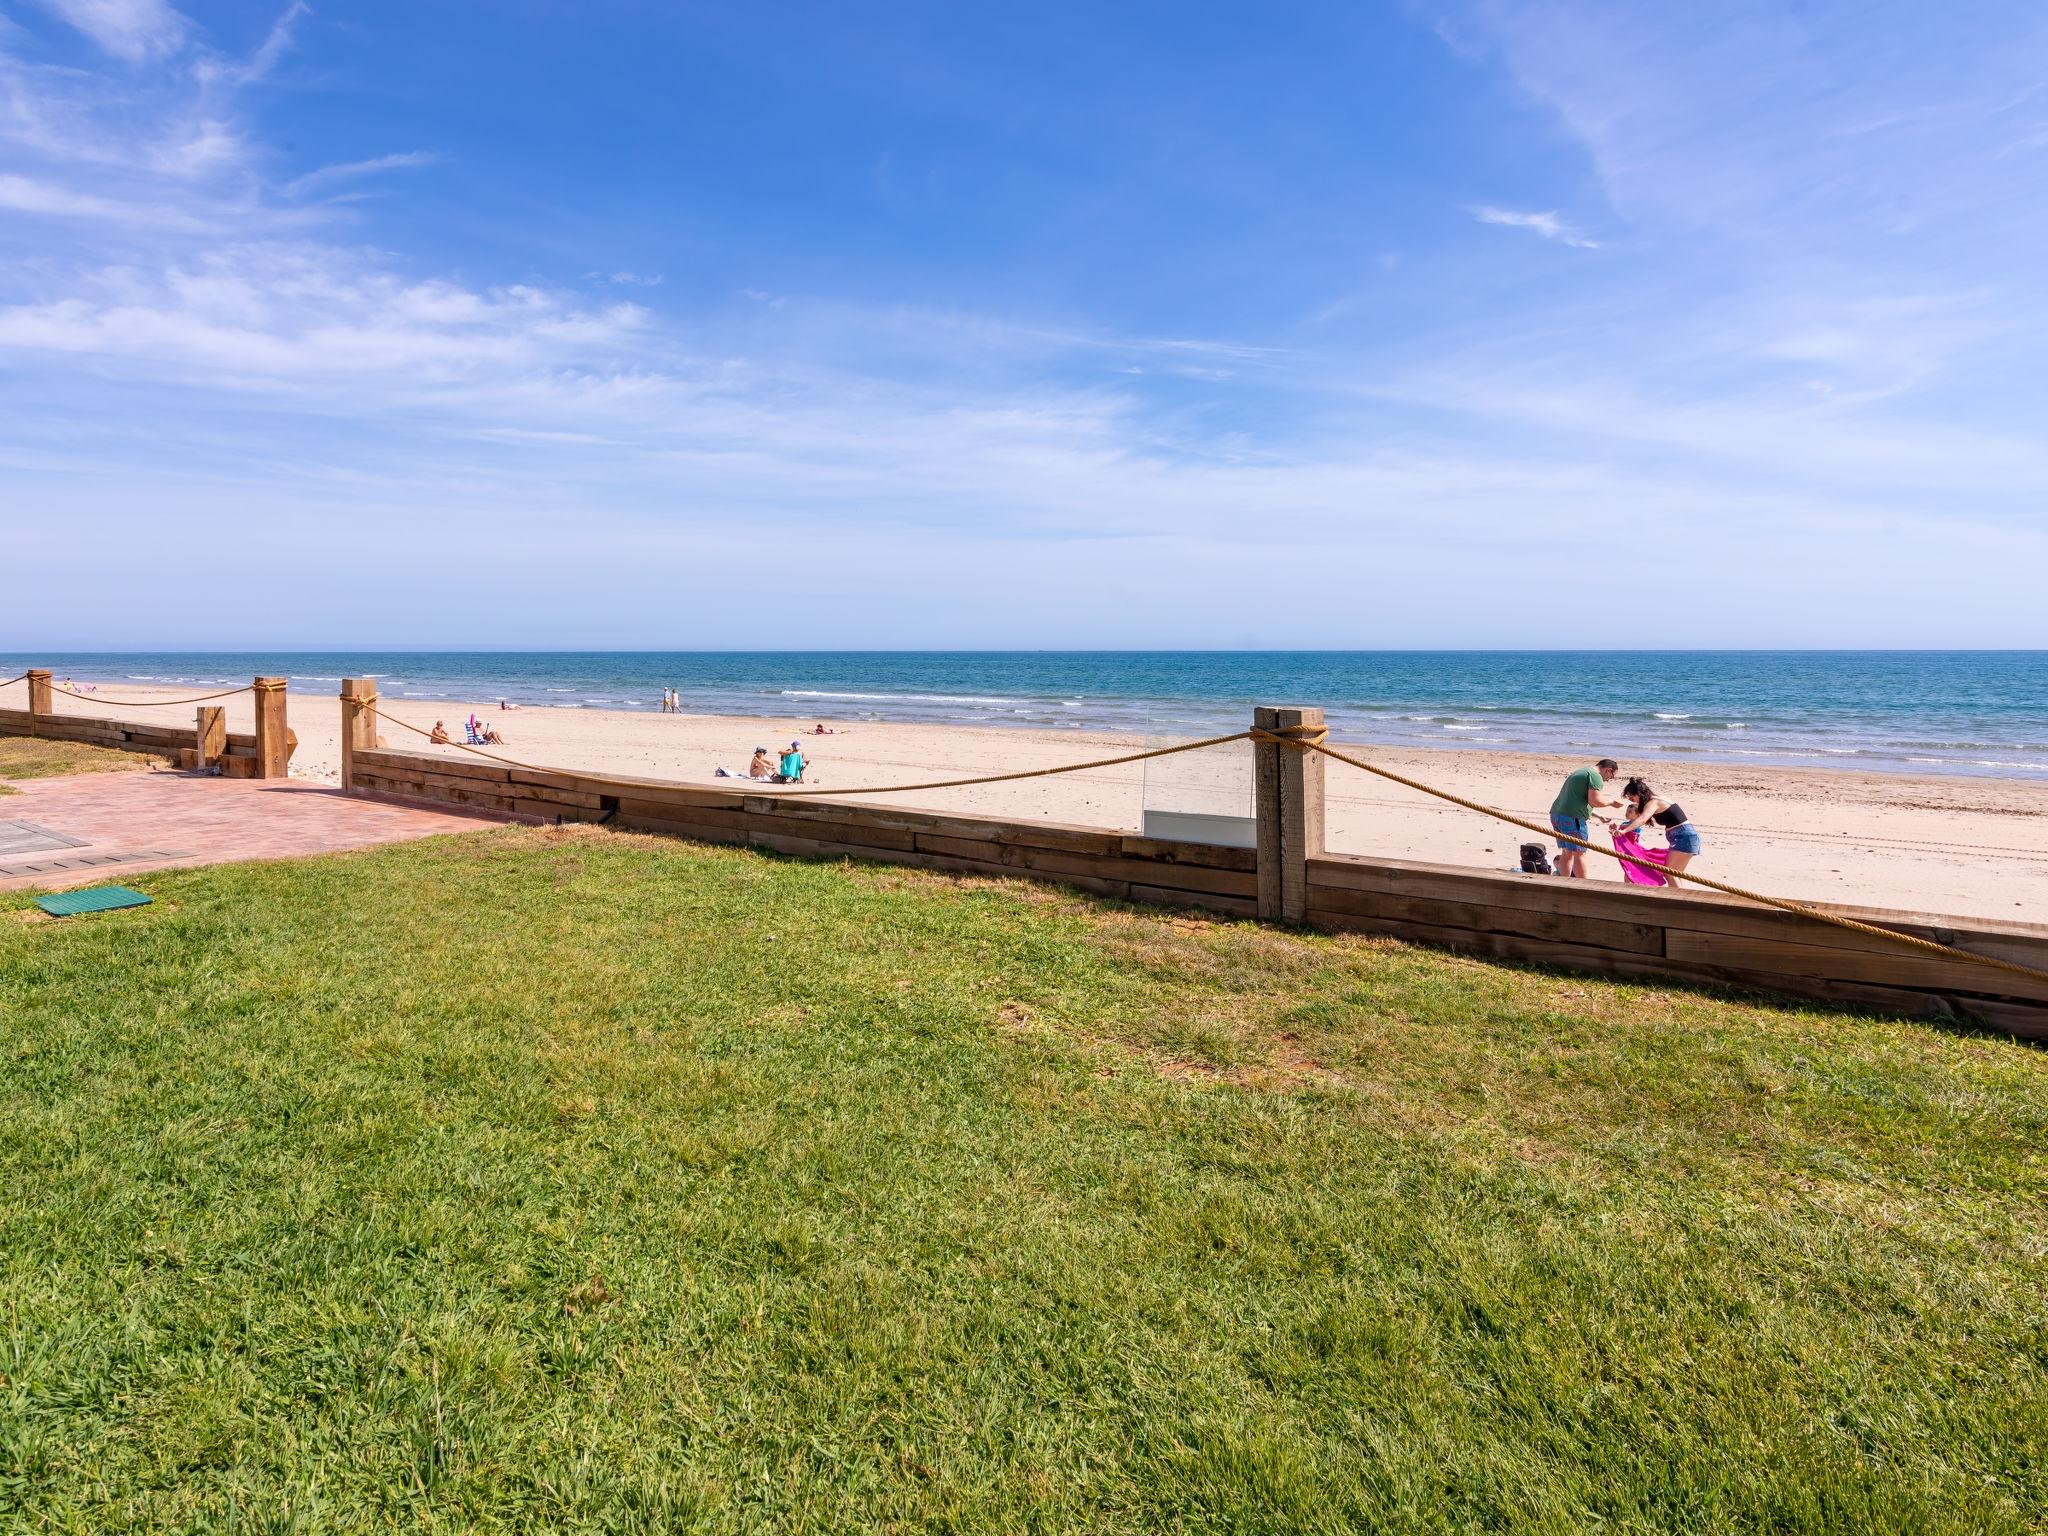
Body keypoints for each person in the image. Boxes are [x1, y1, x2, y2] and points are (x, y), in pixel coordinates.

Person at [1549, 757, 1622, 878]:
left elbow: (1575, 800)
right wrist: (1612, 802)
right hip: (1572, 818)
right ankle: (1583, 885)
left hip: (1557, 815)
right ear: (1608, 770)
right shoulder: (1595, 776)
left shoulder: (1581, 771)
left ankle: (1563, 882)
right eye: (1612, 776)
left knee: (1567, 852)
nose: (1609, 780)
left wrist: (1598, 816)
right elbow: (1595, 801)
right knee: (1580, 853)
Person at [1613, 776, 1702, 876]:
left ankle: (1673, 892)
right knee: (1674, 875)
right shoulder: (1655, 800)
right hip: (1683, 837)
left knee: (1670, 874)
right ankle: (1673, 892)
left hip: (1683, 837)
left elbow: (1642, 819)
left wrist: (1624, 831)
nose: (1633, 801)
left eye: (1632, 798)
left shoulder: (1653, 802)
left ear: (1638, 794)